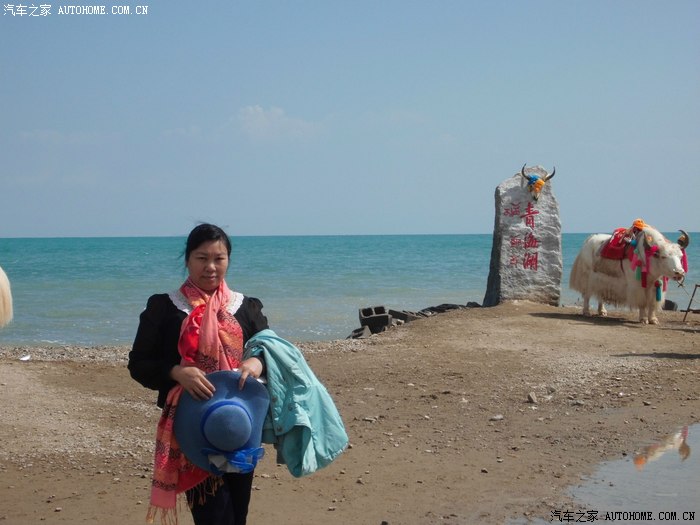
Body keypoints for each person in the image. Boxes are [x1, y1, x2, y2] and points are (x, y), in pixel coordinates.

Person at [128, 223, 269, 525]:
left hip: (240, 425)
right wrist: (177, 372)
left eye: (219, 258)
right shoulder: (164, 307)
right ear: (188, 259)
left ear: (228, 260)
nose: (211, 267)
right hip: (193, 428)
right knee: (213, 518)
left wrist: (257, 362)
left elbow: (270, 350)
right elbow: (138, 364)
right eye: (202, 258)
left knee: (238, 516)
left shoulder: (246, 308)